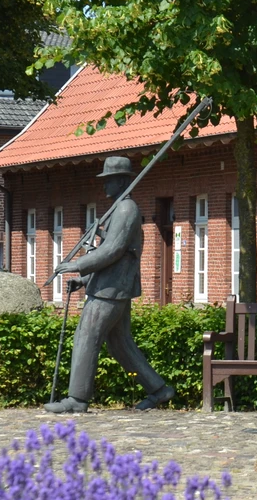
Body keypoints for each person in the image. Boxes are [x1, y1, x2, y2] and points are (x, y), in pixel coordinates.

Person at [44, 156, 175, 414]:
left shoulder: (127, 210)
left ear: (122, 181)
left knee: (86, 336)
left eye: (109, 181)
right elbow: (108, 250)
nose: (104, 186)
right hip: (108, 286)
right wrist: (83, 280)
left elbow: (113, 251)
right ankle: (159, 390)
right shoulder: (118, 209)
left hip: (112, 290)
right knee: (121, 345)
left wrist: (78, 265)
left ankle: (77, 399)